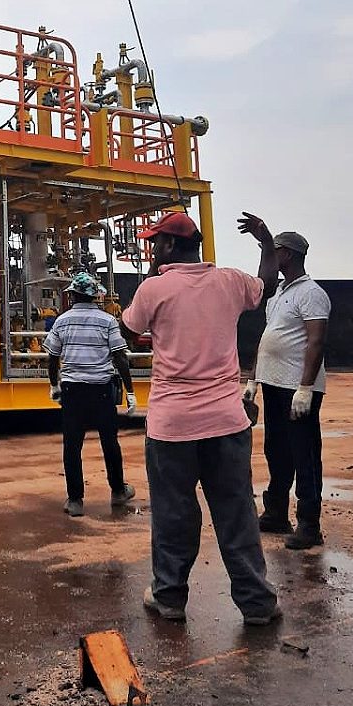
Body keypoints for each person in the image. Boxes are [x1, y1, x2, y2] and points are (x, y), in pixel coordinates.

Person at [121, 210, 281, 625]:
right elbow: (265, 283)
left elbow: (128, 331)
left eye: (156, 242)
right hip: (226, 422)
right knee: (236, 512)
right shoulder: (229, 281)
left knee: (174, 513)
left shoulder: (153, 289)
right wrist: (265, 242)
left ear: (171, 246)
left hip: (172, 424)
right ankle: (257, 604)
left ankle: (170, 597)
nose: (152, 249)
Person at [242, 227, 331, 550]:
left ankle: (309, 523)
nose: (270, 255)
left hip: (298, 388)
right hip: (274, 384)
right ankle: (277, 512)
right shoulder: (278, 294)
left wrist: (306, 388)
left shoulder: (312, 293)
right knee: (276, 451)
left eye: (274, 250)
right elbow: (268, 339)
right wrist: (253, 380)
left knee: (304, 453)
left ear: (288, 254)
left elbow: (316, 341)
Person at [45, 272, 136, 517]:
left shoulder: (62, 321)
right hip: (102, 390)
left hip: (73, 390)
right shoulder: (107, 321)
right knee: (109, 442)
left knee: (72, 446)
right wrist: (131, 392)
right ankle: (118, 491)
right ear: (96, 296)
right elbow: (120, 357)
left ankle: (75, 500)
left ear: (73, 295)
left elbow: (52, 357)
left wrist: (54, 385)